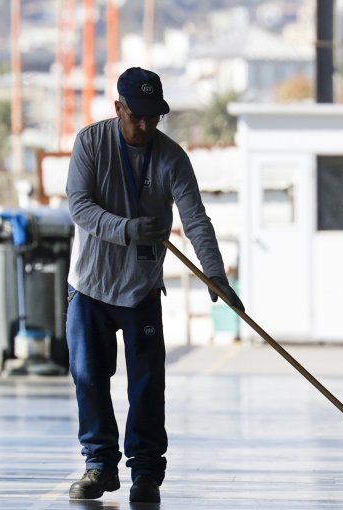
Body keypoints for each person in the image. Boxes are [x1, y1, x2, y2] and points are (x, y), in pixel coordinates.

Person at [64, 66, 244, 503]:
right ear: (118, 108)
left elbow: (195, 218)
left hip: (140, 288)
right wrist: (126, 229)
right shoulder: (91, 143)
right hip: (89, 284)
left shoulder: (171, 157)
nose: (144, 126)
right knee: (88, 377)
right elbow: (79, 206)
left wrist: (214, 273)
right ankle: (100, 465)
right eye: (136, 116)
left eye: (153, 117)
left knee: (147, 382)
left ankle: (145, 471)